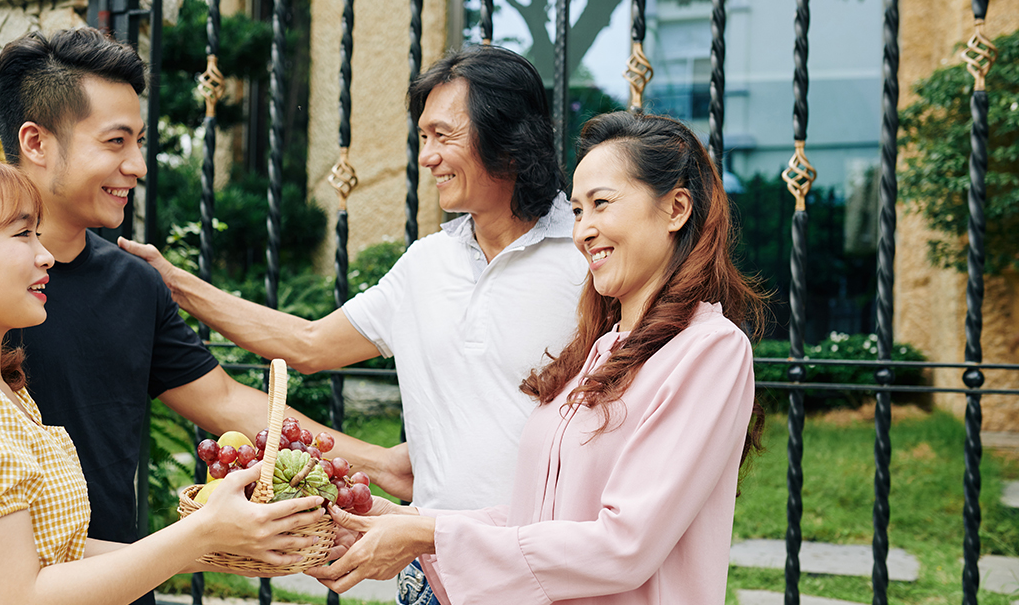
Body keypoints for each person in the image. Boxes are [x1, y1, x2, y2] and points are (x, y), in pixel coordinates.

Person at [0, 27, 395, 605]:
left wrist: (380, 464)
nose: (136, 164)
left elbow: (227, 403)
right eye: (115, 141)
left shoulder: (135, 284)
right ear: (36, 142)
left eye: (139, 140)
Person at [119, 45, 588, 602]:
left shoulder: (589, 258)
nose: (428, 157)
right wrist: (174, 283)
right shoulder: (426, 265)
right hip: (432, 576)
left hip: (545, 577)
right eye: (423, 139)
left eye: (444, 136)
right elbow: (308, 344)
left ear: (508, 134)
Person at [304, 111, 767, 605]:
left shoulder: (710, 350)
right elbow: (539, 520)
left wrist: (430, 537)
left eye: (602, 204)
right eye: (578, 211)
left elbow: (623, 546)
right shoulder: (601, 350)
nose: (584, 230)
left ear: (676, 209)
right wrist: (410, 523)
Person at [0, 145, 323, 605]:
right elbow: (17, 597)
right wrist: (200, 533)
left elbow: (55, 555)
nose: (46, 256)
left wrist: (219, 545)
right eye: (21, 235)